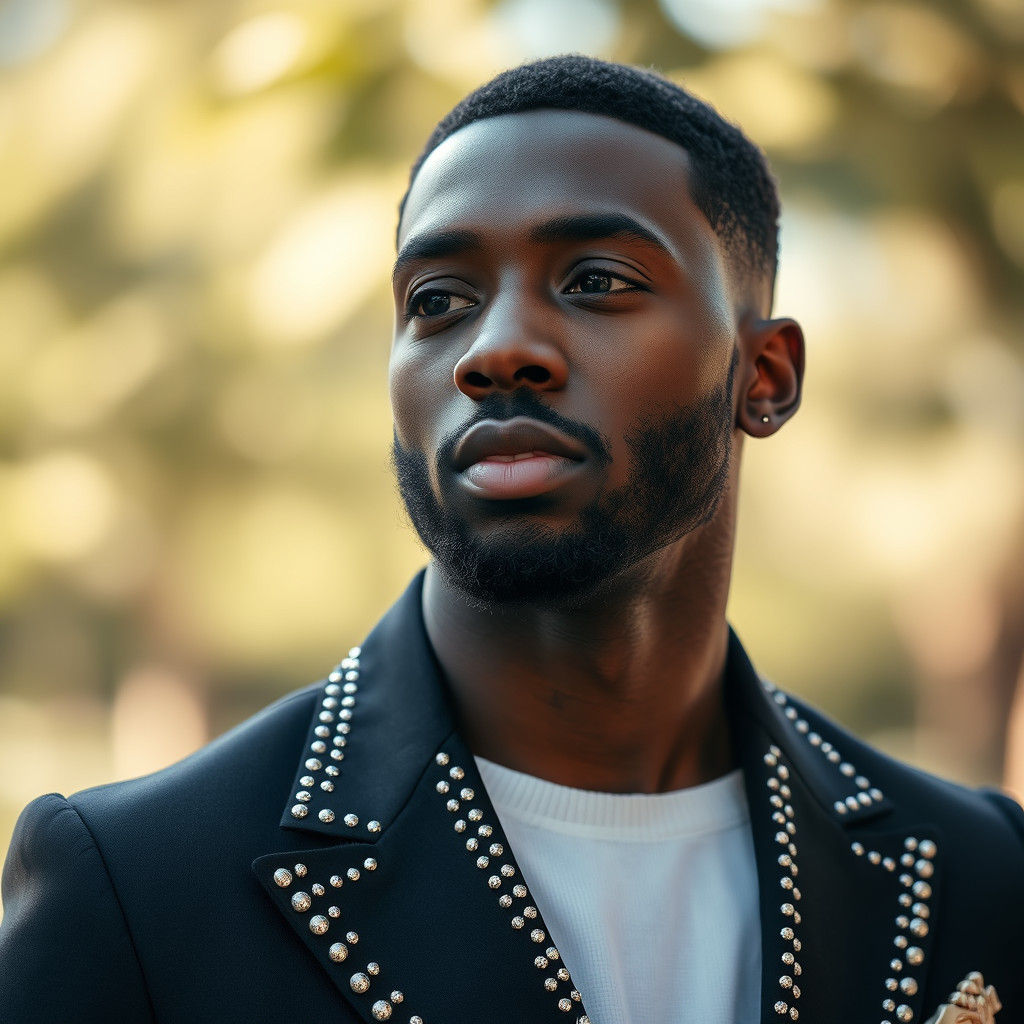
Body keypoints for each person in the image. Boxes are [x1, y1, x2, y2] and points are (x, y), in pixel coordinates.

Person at [1, 54, 1021, 1024]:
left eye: (596, 280)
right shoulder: (136, 887)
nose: (495, 351)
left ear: (763, 376)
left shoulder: (983, 873)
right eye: (437, 302)